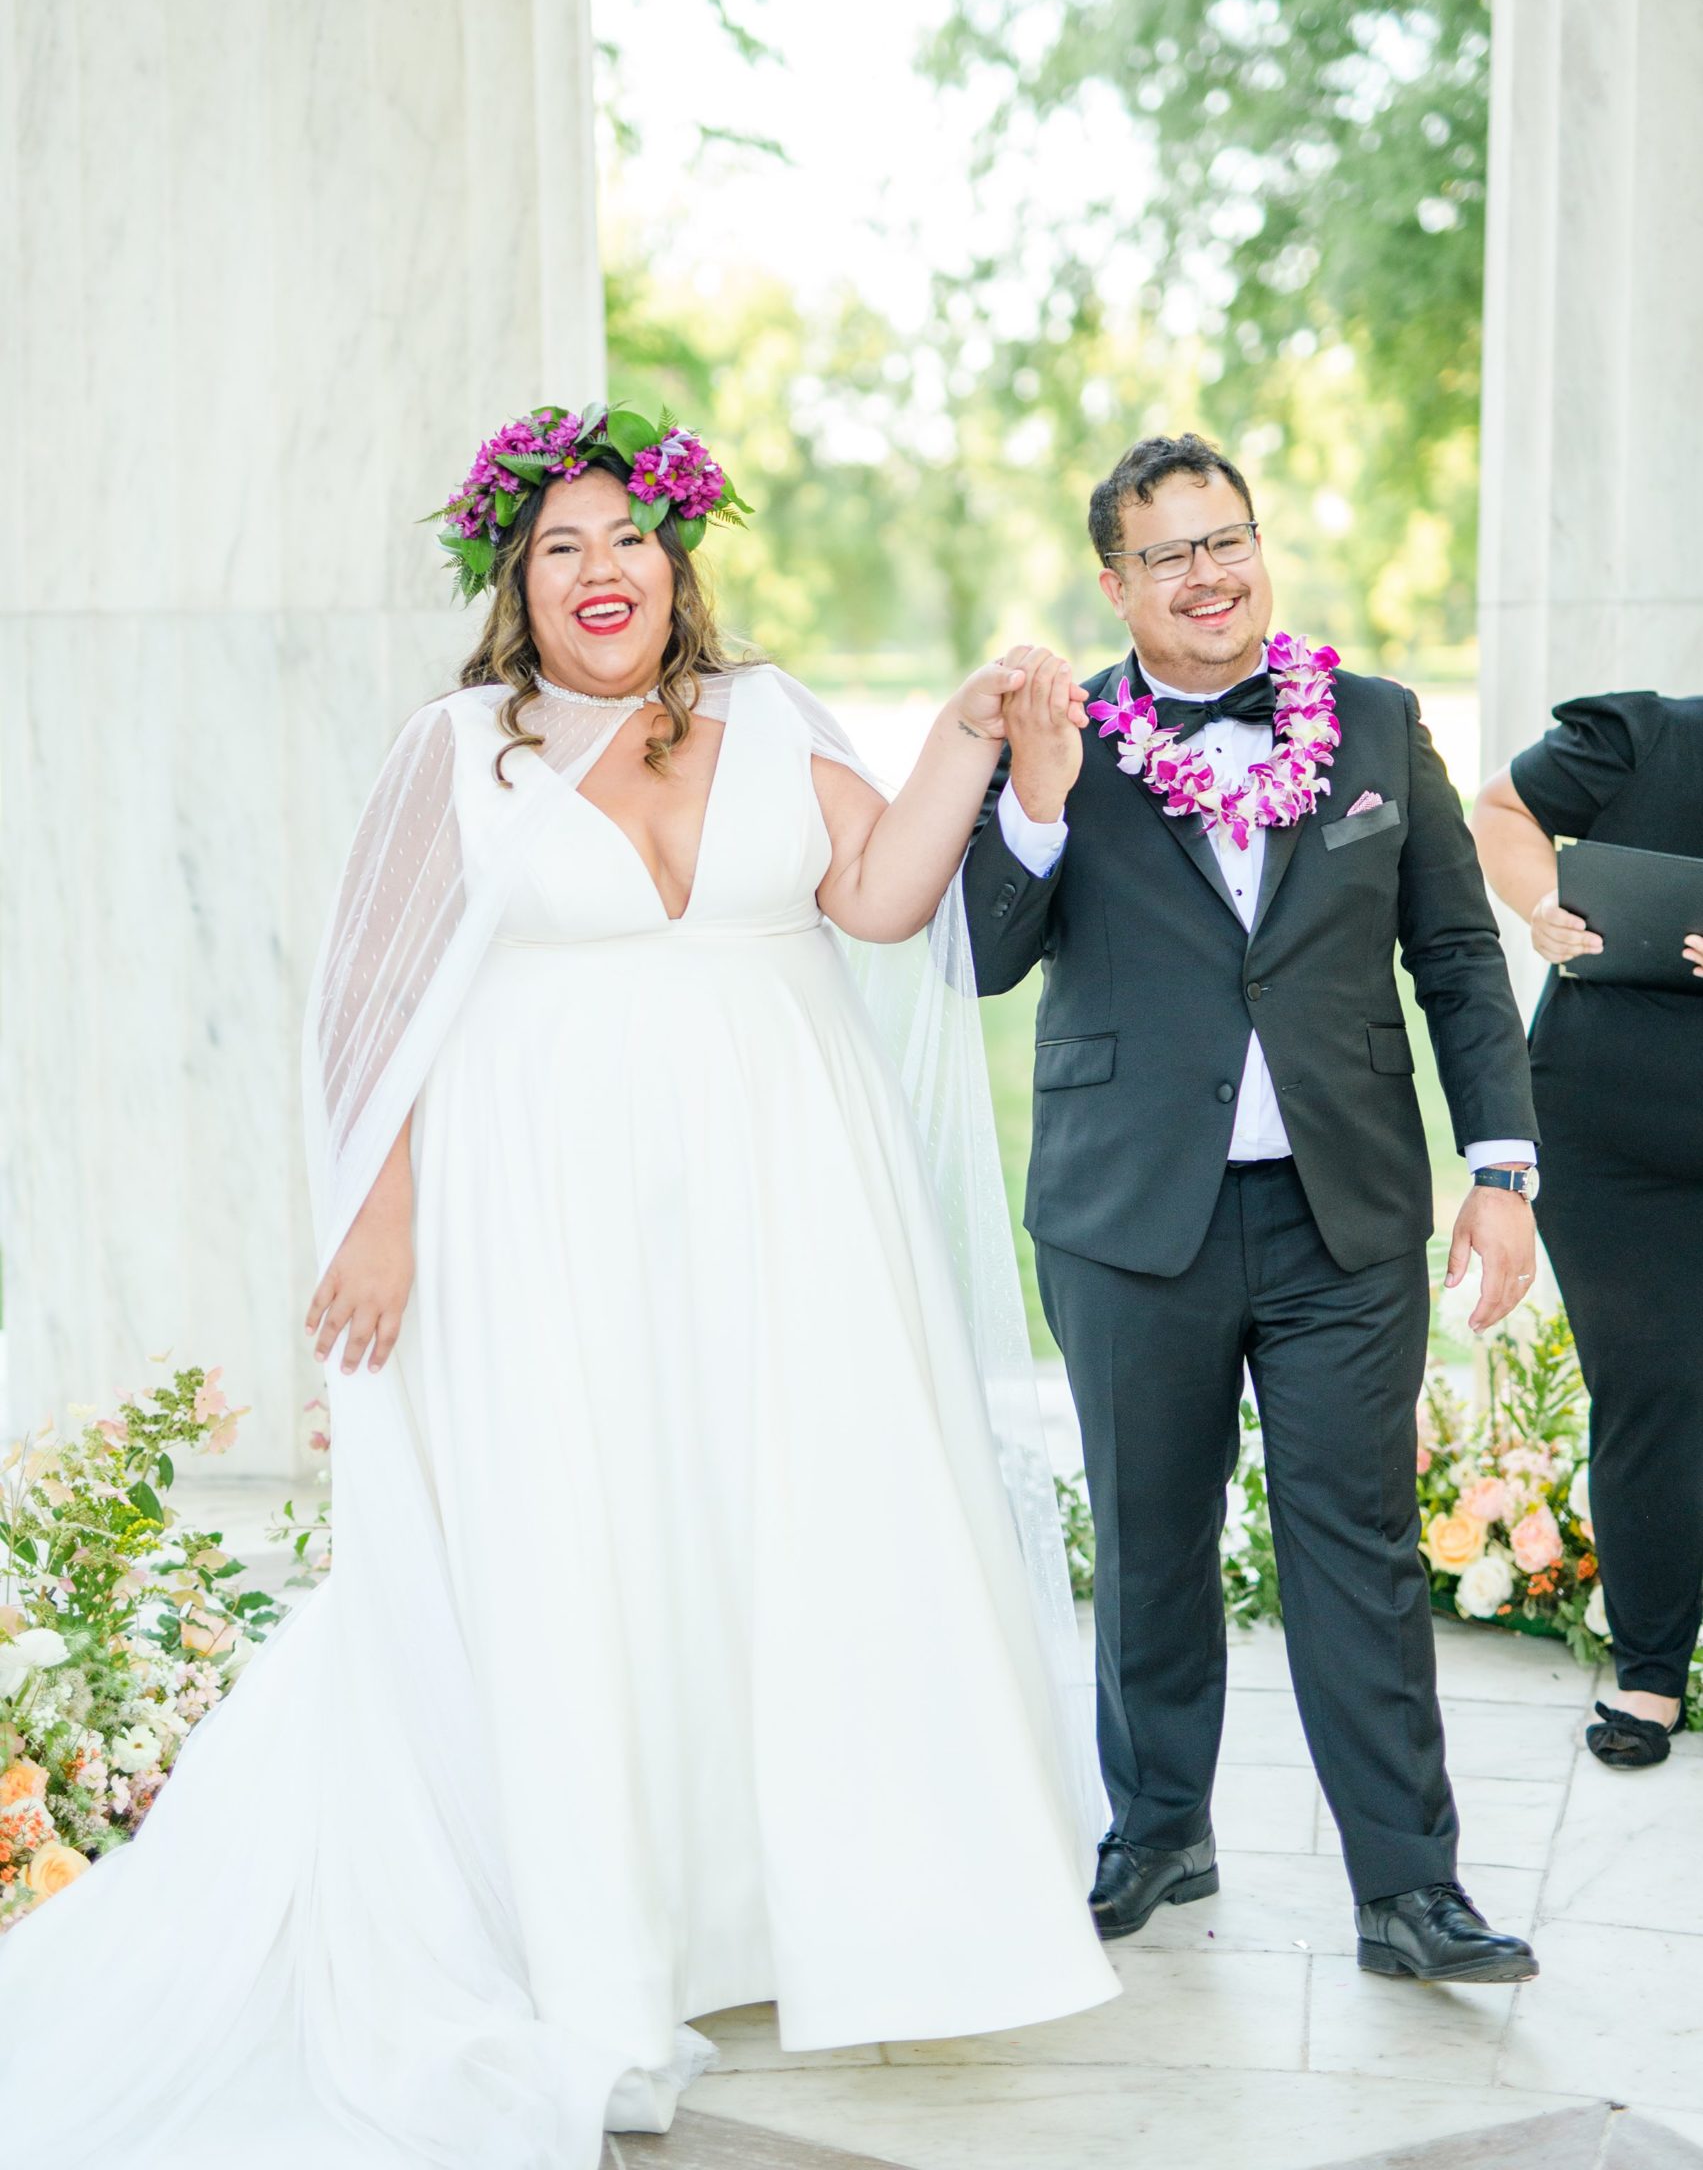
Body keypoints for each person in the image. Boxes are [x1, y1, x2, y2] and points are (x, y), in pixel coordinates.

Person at [0, 405, 1115, 2170]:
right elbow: (364, 1010)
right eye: (560, 549)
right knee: (586, 1535)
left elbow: (882, 899)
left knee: (776, 1525)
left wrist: (968, 743)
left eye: (631, 539)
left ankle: (782, 1908)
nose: (602, 574)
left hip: (784, 1213)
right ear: (516, 585)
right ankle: (608, 1924)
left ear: (683, 560)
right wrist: (376, 1219)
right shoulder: (461, 752)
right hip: (549, 1229)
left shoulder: (773, 722)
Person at [961, 430, 1543, 1986]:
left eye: (1227, 539)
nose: (1207, 573)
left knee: (1353, 1543)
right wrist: (1030, 789)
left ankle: (1407, 1891)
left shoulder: (1369, 723)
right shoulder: (1057, 729)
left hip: (1339, 1215)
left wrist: (1496, 1166)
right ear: (1112, 580)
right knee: (1147, 1540)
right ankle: (1156, 1828)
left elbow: (1458, 962)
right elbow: (983, 951)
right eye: (1167, 552)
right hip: (1123, 1215)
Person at [1473, 691, 1703, 1770]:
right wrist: (1543, 905)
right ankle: (1649, 1674)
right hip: (1608, 1137)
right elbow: (1499, 810)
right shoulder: (1639, 734)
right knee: (1649, 1384)